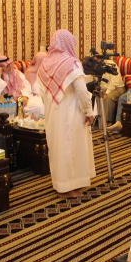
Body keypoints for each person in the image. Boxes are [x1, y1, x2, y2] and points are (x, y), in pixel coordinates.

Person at [38, 29, 95, 198]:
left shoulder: (45, 63)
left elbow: (41, 90)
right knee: (71, 147)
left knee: (58, 147)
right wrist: (89, 111)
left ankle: (64, 183)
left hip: (53, 112)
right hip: (71, 111)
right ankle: (68, 188)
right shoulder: (71, 63)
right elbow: (81, 90)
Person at [88, 53, 125, 126]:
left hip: (117, 88)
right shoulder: (95, 66)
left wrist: (107, 93)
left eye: (98, 58)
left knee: (109, 97)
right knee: (92, 95)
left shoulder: (111, 64)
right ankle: (95, 119)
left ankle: (108, 121)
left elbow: (114, 82)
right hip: (103, 89)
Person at [22, 51, 47, 118]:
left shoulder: (48, 71)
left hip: (46, 96)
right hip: (33, 96)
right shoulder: (30, 72)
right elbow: (27, 88)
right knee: (38, 106)